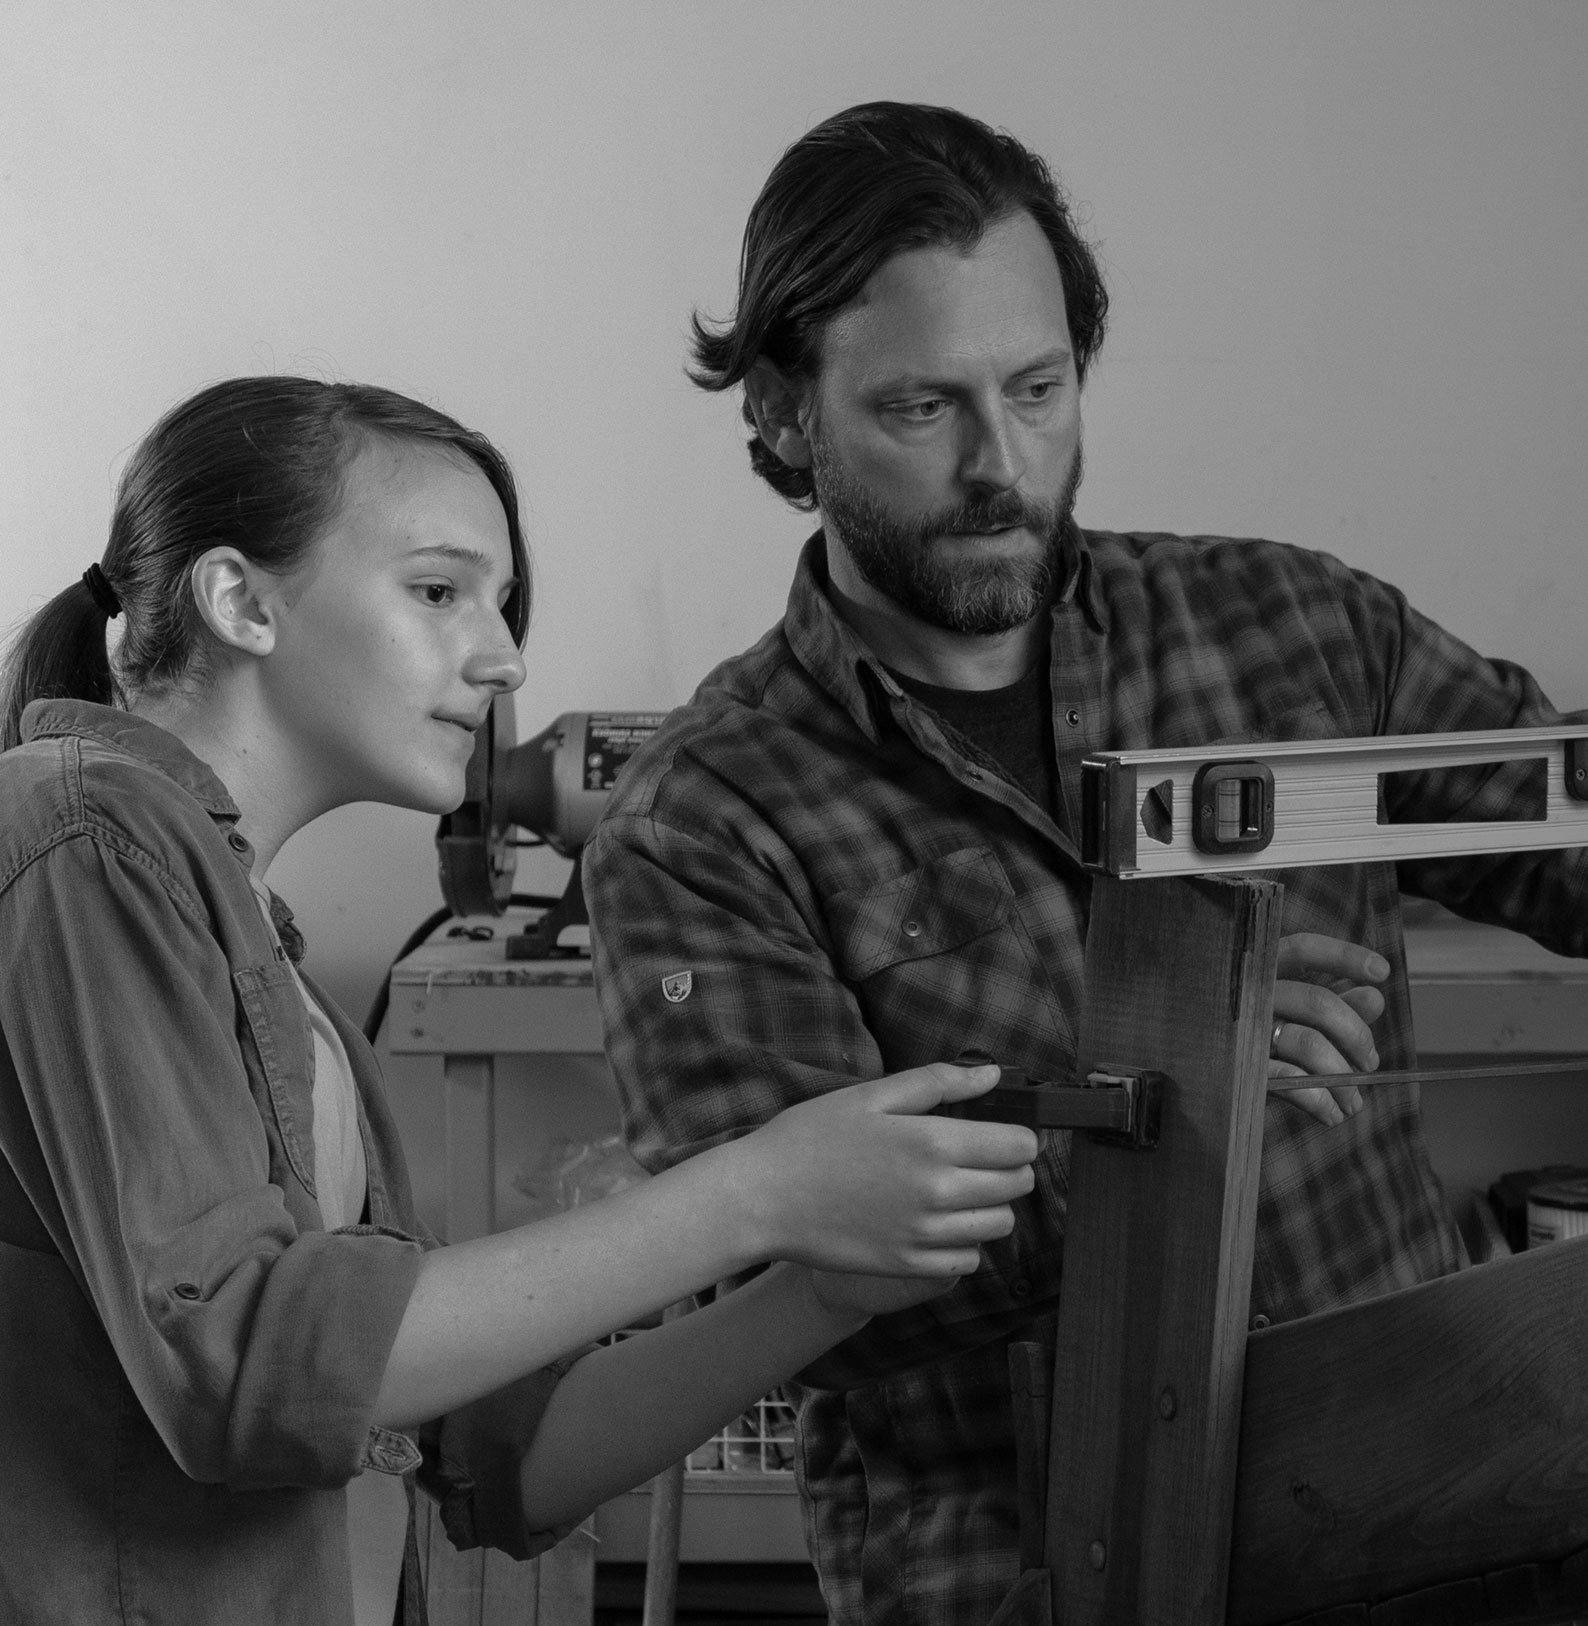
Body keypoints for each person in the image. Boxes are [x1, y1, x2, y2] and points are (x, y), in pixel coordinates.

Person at [583, 102, 1588, 1625]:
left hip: (1431, 1508)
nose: (1004, 464)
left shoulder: (1296, 628)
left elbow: (1560, 831)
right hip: (1023, 1562)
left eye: (1038, 388)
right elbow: (780, 1310)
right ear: (785, 415)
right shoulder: (706, 814)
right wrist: (1161, 1109)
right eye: (923, 410)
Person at [0, 376, 1041, 1626]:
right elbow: (251, 1369)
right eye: (439, 591)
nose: (504, 657)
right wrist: (757, 1188)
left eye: (500, 604)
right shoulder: (86, 832)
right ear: (241, 601)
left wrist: (818, 1285)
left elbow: (486, 1455)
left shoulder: (282, 984)